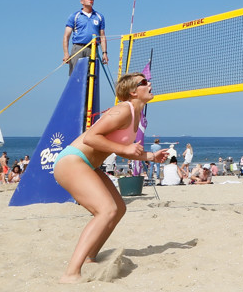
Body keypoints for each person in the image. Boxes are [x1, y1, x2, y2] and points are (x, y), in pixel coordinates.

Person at [52, 72, 168, 283]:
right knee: (106, 210)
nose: (150, 83)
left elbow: (126, 150)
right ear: (133, 91)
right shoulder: (123, 110)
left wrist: (151, 156)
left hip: (87, 164)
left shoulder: (135, 115)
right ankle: (70, 273)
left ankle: (89, 258)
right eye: (144, 82)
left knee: (119, 208)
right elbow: (90, 137)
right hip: (72, 161)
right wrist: (126, 147)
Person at [62, 0, 109, 75]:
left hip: (93, 49)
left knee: (92, 75)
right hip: (78, 48)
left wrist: (104, 53)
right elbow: (66, 36)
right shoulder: (75, 16)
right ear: (82, 1)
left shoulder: (99, 16)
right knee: (75, 75)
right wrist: (66, 54)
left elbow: (102, 36)